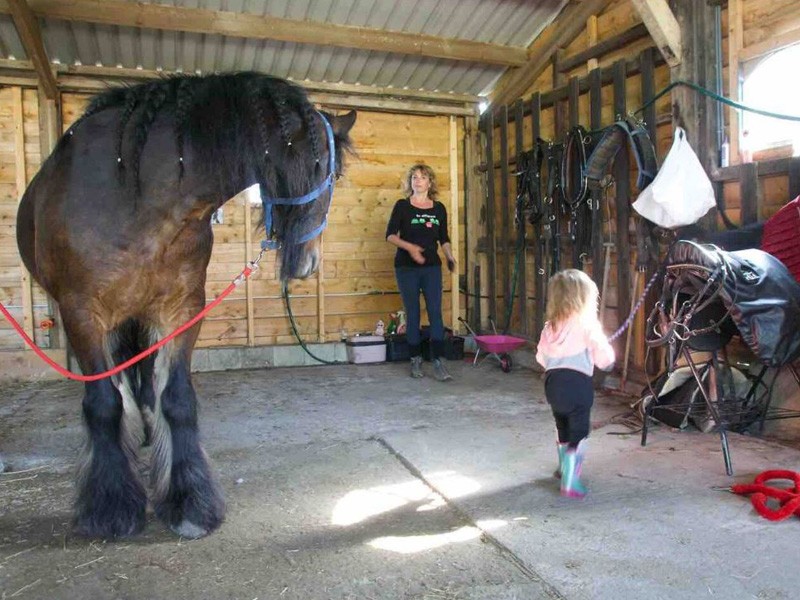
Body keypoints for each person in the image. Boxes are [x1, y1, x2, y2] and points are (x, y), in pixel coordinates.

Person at [535, 269, 615, 498]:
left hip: (553, 385)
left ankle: (563, 468)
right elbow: (604, 358)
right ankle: (570, 481)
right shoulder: (587, 325)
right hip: (578, 385)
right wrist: (608, 361)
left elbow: (540, 357)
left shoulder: (549, 327)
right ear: (584, 298)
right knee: (579, 431)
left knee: (562, 425)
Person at [385, 164, 456, 381]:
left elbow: (443, 238)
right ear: (410, 182)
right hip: (406, 268)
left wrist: (450, 256)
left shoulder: (439, 208)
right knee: (413, 312)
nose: (418, 181)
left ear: (429, 182)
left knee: (435, 312)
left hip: (431, 267)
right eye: (414, 177)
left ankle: (438, 362)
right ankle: (415, 359)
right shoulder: (402, 206)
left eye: (423, 177)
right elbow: (390, 235)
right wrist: (411, 248)